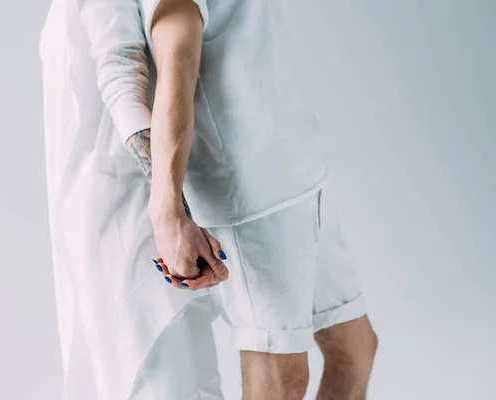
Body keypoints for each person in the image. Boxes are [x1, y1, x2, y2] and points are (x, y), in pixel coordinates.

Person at [39, 0, 378, 398]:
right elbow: (173, 68)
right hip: (250, 198)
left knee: (356, 350)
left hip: (301, 172)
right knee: (284, 379)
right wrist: (168, 212)